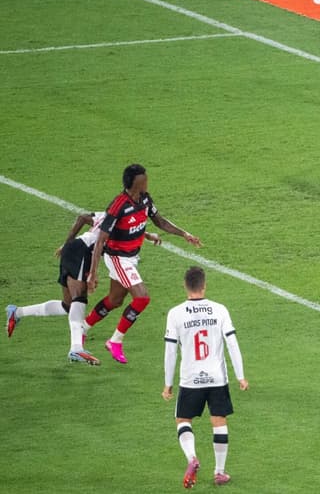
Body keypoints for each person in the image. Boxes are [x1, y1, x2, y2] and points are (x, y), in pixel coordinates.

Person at [6, 212, 161, 365]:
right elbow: (117, 233)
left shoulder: (108, 215)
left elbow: (82, 218)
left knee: (67, 305)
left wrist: (67, 243)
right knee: (79, 298)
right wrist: (93, 274)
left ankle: (17, 312)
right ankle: (76, 348)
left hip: (73, 249)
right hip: (82, 254)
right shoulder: (119, 221)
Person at [85, 163, 202, 364]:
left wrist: (185, 234)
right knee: (142, 298)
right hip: (117, 257)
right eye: (144, 179)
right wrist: (93, 273)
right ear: (136, 183)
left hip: (131, 257)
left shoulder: (145, 199)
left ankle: (82, 328)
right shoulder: (118, 205)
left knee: (115, 300)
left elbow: (160, 221)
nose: (147, 181)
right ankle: (115, 341)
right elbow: (101, 240)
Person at [162, 266, 248, 488]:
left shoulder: (175, 313)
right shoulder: (219, 310)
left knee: (183, 421)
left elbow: (170, 351)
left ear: (185, 286)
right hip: (217, 377)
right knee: (219, 421)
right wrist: (241, 376)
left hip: (190, 378)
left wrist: (168, 384)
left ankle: (192, 458)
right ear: (204, 285)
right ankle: (219, 472)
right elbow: (232, 343)